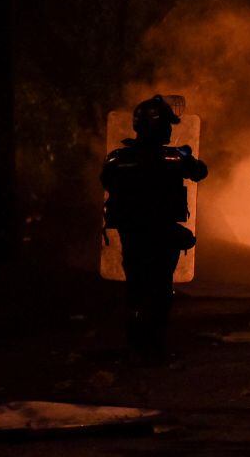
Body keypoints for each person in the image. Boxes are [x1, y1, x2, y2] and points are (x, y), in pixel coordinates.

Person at [101, 95, 207, 365]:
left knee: (137, 288)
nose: (170, 130)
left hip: (132, 234)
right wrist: (186, 156)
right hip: (162, 234)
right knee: (160, 290)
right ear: (158, 127)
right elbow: (199, 172)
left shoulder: (117, 159)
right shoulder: (172, 158)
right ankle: (153, 348)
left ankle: (136, 346)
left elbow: (106, 180)